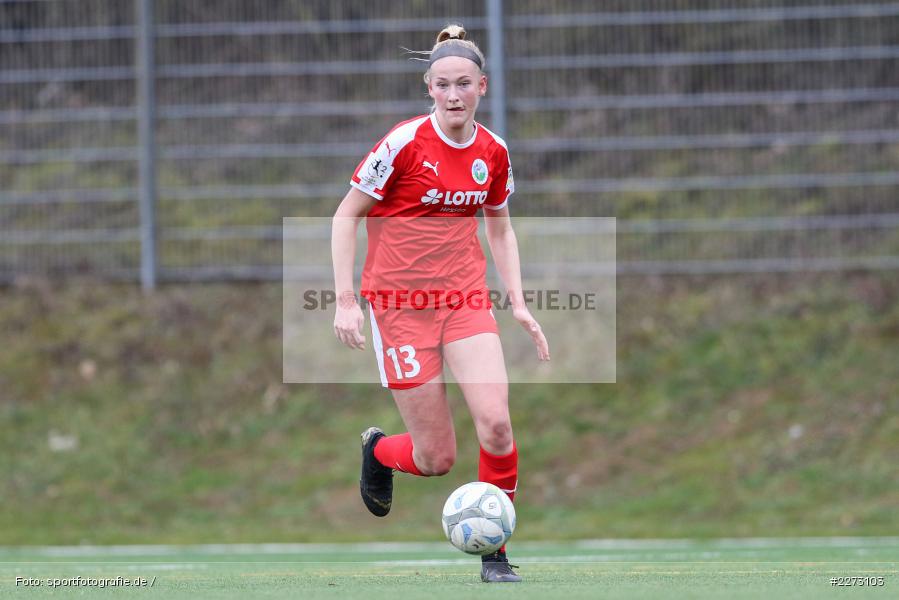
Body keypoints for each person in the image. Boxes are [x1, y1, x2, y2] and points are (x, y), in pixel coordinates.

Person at [331, 23, 549, 583]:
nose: (453, 96)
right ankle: (379, 453)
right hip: (399, 309)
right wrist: (346, 302)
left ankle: (495, 555)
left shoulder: (493, 151)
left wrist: (518, 302)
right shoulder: (404, 142)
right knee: (436, 459)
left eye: (464, 84)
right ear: (429, 88)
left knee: (497, 425)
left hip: (463, 300)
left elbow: (499, 228)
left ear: (483, 86)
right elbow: (345, 216)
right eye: (442, 85)